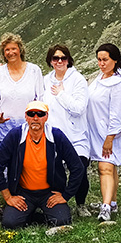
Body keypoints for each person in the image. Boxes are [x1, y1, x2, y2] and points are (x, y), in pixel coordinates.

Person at [0, 101, 84, 229]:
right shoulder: (15, 135)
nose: (35, 118)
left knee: (62, 221)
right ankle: (30, 214)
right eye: (31, 114)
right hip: (23, 193)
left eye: (40, 114)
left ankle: (36, 214)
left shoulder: (56, 136)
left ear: (46, 117)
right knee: (10, 223)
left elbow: (77, 167)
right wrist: (8, 197)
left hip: (50, 193)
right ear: (25, 116)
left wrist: (65, 195)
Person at [41, 44, 91, 217]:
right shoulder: (45, 80)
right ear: (50, 61)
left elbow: (79, 108)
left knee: (79, 169)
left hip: (75, 135)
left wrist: (61, 94)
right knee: (56, 173)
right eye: (55, 58)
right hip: (53, 135)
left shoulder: (78, 80)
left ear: (69, 60)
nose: (60, 61)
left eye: (63, 58)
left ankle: (81, 204)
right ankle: (57, 203)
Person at [86, 43, 121, 222]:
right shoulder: (101, 77)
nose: (101, 63)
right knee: (110, 168)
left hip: (109, 133)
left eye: (105, 60)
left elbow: (118, 113)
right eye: (99, 60)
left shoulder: (119, 84)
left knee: (105, 167)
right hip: (96, 129)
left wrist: (110, 137)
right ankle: (112, 202)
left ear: (115, 60)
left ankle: (105, 208)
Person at [0, 33, 43, 149]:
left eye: (13, 48)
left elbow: (40, 98)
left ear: (20, 50)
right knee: (4, 159)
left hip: (29, 128)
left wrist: (37, 118)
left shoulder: (34, 70)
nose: (11, 52)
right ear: (3, 53)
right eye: (7, 50)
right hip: (4, 130)